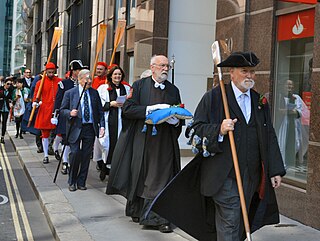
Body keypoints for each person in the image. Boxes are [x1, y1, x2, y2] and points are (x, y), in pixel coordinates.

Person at [150, 51, 286, 241]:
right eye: (244, 71)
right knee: (230, 220)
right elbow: (194, 130)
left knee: (240, 221)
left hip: (251, 175)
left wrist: (275, 170)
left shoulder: (259, 101)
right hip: (224, 176)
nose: (249, 76)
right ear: (232, 72)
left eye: (252, 72)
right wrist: (219, 130)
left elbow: (269, 135)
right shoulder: (214, 98)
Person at [106, 55, 182, 233]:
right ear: (152, 67)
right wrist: (150, 110)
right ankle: (139, 210)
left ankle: (159, 218)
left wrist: (175, 121)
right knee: (141, 176)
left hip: (164, 144)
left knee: (161, 178)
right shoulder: (139, 86)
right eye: (162, 66)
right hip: (142, 140)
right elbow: (128, 110)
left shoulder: (174, 90)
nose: (165, 69)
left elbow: (179, 114)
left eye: (167, 66)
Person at [60, 69, 105, 192]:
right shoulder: (70, 93)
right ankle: (72, 181)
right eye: (86, 79)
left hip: (89, 128)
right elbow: (62, 110)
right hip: (75, 127)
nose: (89, 81)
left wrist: (102, 126)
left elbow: (100, 112)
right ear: (80, 80)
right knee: (75, 154)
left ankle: (81, 181)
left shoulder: (94, 93)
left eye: (90, 79)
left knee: (86, 156)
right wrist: (70, 112)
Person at [51, 59, 87, 174]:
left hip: (79, 118)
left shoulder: (83, 83)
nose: (79, 72)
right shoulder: (64, 84)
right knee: (66, 140)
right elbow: (59, 100)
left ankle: (69, 160)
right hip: (66, 116)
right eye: (78, 70)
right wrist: (55, 114)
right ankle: (65, 161)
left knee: (74, 141)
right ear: (73, 71)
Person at [96, 66, 131, 181]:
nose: (117, 77)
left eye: (119, 74)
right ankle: (105, 167)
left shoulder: (126, 88)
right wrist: (111, 104)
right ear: (110, 76)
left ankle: (116, 170)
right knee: (107, 145)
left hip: (122, 120)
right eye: (115, 74)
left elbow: (131, 103)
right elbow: (98, 105)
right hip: (109, 120)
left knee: (120, 145)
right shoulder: (103, 88)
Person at [277, 79, 309, 170]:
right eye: (287, 85)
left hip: (293, 124)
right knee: (281, 142)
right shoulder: (279, 97)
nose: (289, 87)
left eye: (291, 85)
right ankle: (281, 163)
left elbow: (303, 111)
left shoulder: (296, 98)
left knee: (295, 143)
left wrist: (293, 112)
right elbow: (277, 111)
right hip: (283, 124)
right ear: (283, 86)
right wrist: (284, 111)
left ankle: (290, 162)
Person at [33, 62, 61, 164]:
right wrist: (35, 102)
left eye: (52, 72)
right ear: (45, 71)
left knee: (60, 132)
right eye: (49, 72)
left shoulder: (59, 81)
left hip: (56, 110)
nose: (51, 73)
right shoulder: (39, 83)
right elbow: (36, 95)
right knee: (44, 134)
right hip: (45, 109)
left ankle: (56, 148)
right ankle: (45, 155)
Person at [0, 77, 14, 143]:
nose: (9, 85)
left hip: (6, 109)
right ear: (4, 83)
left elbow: (11, 98)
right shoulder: (0, 89)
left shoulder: (11, 90)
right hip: (0, 107)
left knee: (4, 123)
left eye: (10, 84)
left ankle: (2, 137)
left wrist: (11, 102)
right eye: (8, 84)